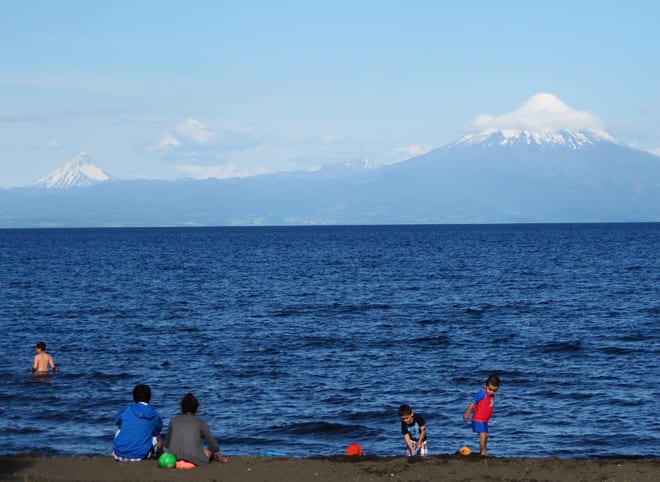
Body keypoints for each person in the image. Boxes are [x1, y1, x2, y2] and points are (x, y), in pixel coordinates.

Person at [165, 392, 227, 466]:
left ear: (181, 408)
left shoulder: (173, 420)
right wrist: (217, 452)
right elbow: (214, 446)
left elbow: (167, 445)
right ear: (198, 408)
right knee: (210, 449)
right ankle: (218, 457)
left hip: (173, 461)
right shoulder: (201, 422)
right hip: (194, 462)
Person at [112, 384, 163, 461]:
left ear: (134, 397)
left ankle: (123, 447)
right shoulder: (154, 414)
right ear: (149, 397)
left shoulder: (127, 409)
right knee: (157, 436)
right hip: (140, 456)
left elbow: (116, 421)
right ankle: (159, 457)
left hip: (118, 455)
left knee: (120, 428)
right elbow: (157, 431)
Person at [463, 374, 501, 456]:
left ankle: (484, 451)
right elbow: (473, 403)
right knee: (483, 436)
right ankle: (483, 453)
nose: (492, 392)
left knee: (486, 436)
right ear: (485, 386)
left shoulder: (491, 395)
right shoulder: (482, 393)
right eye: (490, 389)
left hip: (484, 420)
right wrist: (467, 414)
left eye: (494, 390)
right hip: (478, 419)